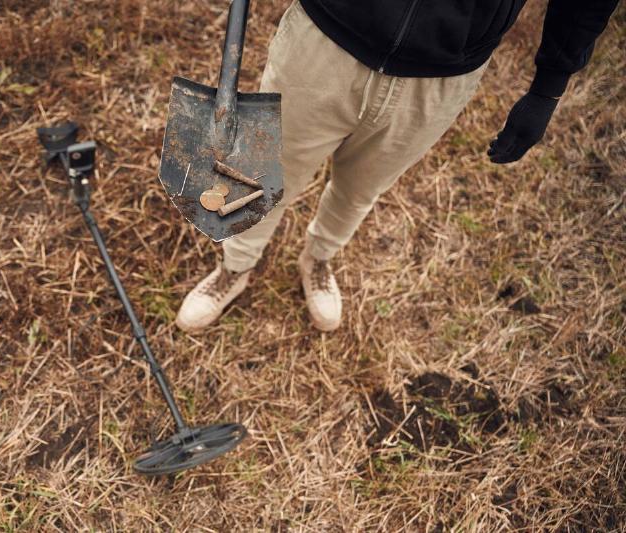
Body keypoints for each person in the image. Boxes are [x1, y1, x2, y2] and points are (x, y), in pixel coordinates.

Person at [176, 0, 620, 333]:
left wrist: (549, 87)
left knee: (360, 189)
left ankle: (319, 259)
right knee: (258, 172)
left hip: (441, 70)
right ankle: (234, 269)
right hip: (326, 33)